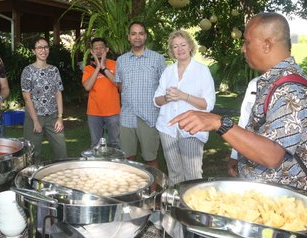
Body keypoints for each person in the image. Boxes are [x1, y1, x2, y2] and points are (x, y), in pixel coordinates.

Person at [170, 12, 307, 190]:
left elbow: (271, 155)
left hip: (278, 204)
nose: (243, 49)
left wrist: (219, 123)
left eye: (247, 42)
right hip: (260, 193)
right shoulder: (274, 82)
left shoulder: (291, 90)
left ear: (267, 44)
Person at [153, 30, 215, 184]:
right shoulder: (168, 71)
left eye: (183, 45)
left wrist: (183, 96)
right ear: (172, 51)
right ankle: (177, 206)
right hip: (167, 128)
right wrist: (167, 98)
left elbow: (208, 104)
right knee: (174, 174)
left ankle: (192, 207)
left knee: (193, 175)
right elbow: (156, 100)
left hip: (191, 128)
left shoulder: (202, 70)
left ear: (190, 47)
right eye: (175, 46)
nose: (179, 49)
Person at [115, 21, 166, 168]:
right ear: (128, 37)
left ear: (145, 36)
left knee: (150, 159)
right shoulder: (121, 60)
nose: (137, 37)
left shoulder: (158, 59)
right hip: (127, 116)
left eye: (141, 33)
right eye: (133, 33)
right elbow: (119, 86)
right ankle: (133, 190)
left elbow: (164, 86)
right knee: (129, 158)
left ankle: (152, 191)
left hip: (149, 116)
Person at [20, 37, 67, 161]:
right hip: (34, 117)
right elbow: (27, 97)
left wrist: (60, 117)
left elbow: (58, 93)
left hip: (53, 117)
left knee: (61, 151)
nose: (43, 50)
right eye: (39, 47)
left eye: (46, 47)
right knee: (32, 154)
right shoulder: (28, 71)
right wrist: (35, 121)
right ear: (33, 51)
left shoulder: (54, 70)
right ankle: (32, 179)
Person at [82, 37, 120, 149]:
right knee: (95, 145)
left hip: (113, 111)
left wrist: (103, 68)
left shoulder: (115, 64)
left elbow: (118, 84)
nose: (98, 50)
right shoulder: (88, 69)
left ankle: (115, 166)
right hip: (94, 112)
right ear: (92, 51)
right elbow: (87, 87)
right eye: (95, 48)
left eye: (101, 48)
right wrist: (97, 67)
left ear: (106, 50)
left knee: (115, 143)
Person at [227, 76, 258, 177]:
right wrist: (235, 155)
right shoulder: (254, 83)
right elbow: (244, 122)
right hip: (249, 164)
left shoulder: (304, 85)